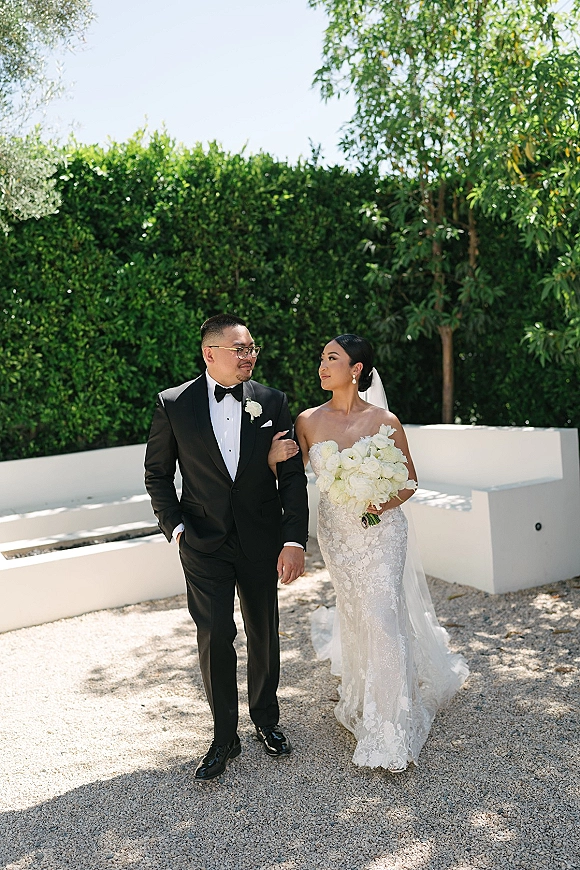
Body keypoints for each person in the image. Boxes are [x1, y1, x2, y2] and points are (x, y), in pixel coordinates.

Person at [268, 334, 468, 772]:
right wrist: (271, 457)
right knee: (358, 612)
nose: (322, 366)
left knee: (381, 614)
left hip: (382, 533)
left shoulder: (385, 420)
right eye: (321, 358)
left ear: (356, 369)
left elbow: (409, 480)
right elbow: (290, 478)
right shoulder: (306, 421)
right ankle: (364, 693)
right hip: (338, 536)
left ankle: (390, 725)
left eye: (332, 358)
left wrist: (380, 500)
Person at [145, 313, 308, 781]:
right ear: (209, 353)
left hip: (261, 538)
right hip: (203, 543)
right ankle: (223, 735)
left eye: (252, 347)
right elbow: (157, 473)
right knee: (216, 636)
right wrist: (174, 528)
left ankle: (265, 719)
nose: (249, 356)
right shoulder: (174, 403)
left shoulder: (272, 401)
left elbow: (290, 476)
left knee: (264, 631)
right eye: (239, 349)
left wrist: (294, 538)